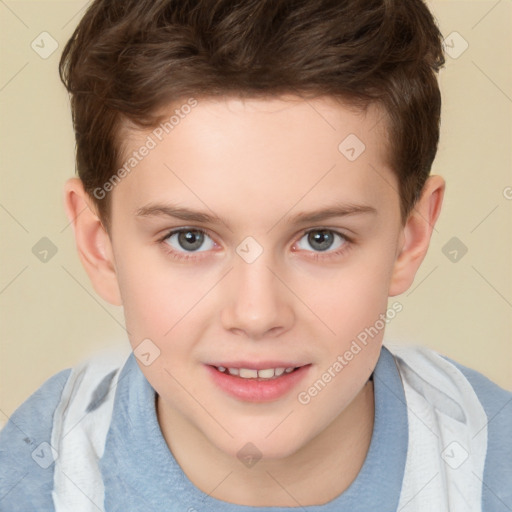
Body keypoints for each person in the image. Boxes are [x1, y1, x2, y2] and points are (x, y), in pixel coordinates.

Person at [1, 0, 510, 510]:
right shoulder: (32, 475)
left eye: (321, 239)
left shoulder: (493, 466)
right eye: (190, 239)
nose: (256, 314)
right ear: (100, 246)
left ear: (410, 237)